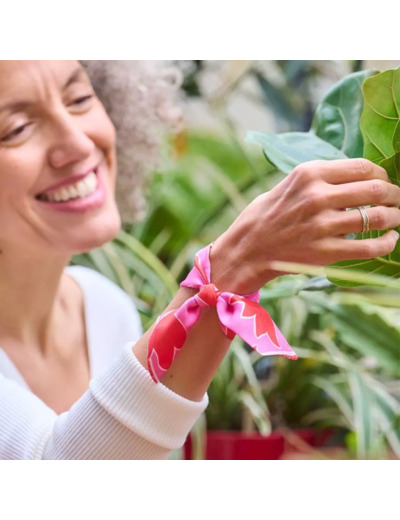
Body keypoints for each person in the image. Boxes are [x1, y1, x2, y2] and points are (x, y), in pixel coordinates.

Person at [0, 60, 399, 460]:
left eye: (80, 99)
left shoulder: (104, 308)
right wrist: (235, 264)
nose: (79, 143)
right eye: (15, 129)